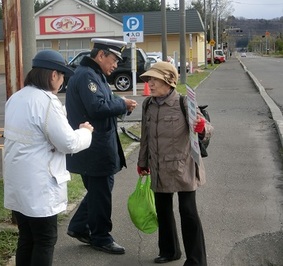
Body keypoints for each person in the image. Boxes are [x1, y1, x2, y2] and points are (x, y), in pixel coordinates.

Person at [3, 49, 94, 266]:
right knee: (45, 239)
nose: (62, 81)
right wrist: (85, 132)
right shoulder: (47, 101)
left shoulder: (16, 98)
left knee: (27, 237)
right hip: (39, 184)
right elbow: (68, 142)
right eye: (62, 76)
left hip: (18, 182)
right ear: (54, 75)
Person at [65, 38, 137, 255]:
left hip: (97, 147)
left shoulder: (95, 75)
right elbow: (97, 107)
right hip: (94, 149)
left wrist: (123, 106)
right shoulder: (88, 75)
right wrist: (121, 104)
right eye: (114, 59)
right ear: (101, 55)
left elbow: (107, 101)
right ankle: (101, 237)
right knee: (101, 194)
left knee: (98, 192)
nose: (116, 64)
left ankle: (79, 227)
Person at [137, 61, 213, 265]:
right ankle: (169, 251)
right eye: (149, 79)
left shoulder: (184, 102)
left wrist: (202, 128)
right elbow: (145, 136)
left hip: (183, 166)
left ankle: (196, 260)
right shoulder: (148, 105)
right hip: (158, 166)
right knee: (162, 210)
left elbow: (207, 129)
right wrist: (142, 161)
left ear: (169, 81)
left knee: (188, 212)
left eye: (154, 79)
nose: (149, 84)